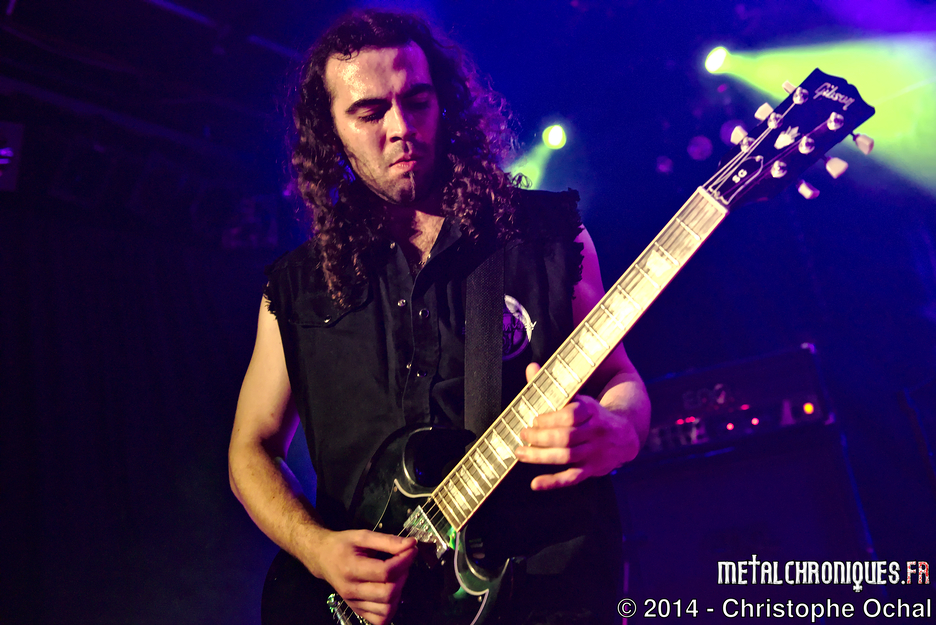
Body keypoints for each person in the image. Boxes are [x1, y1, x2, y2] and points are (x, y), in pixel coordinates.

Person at [228, 10, 650, 625]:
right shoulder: (297, 287)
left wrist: (620, 429)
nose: (401, 127)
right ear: (332, 133)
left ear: (444, 102)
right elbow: (251, 449)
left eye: (417, 101)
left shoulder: (547, 235)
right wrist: (317, 549)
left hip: (546, 591)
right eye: (369, 112)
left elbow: (619, 379)